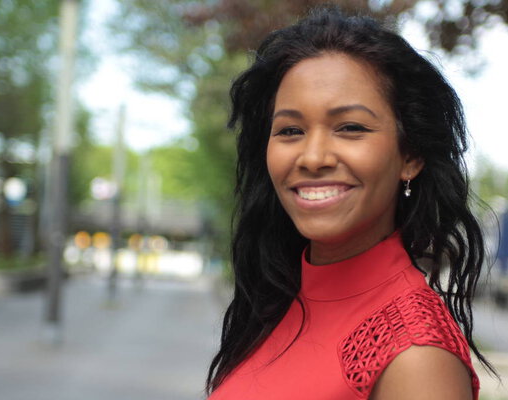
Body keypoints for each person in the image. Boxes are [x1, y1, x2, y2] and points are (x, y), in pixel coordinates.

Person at [206, 6, 493, 400]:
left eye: (350, 128)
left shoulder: (417, 355)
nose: (312, 157)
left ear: (410, 156)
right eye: (290, 130)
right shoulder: (275, 301)